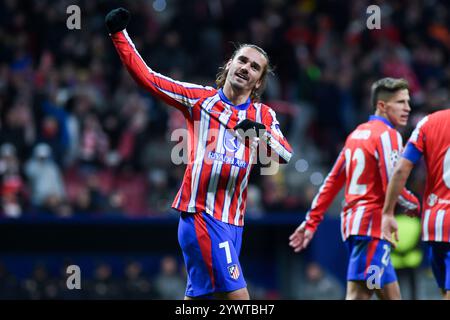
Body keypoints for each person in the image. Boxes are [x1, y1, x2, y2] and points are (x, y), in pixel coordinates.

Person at [105, 8, 292, 300]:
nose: (246, 68)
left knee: (199, 300)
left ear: (258, 81)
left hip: (234, 223)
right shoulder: (199, 100)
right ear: (229, 65)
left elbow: (284, 155)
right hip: (202, 216)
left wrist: (257, 136)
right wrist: (119, 35)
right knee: (239, 300)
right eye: (242, 60)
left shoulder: (263, 115)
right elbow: (150, 79)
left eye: (255, 67)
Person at [289, 77, 420, 300]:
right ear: (382, 105)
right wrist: (414, 203)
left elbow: (331, 182)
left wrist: (312, 222)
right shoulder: (389, 135)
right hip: (371, 230)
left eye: (407, 102)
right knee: (359, 295)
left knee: (389, 295)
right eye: (400, 102)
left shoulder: (356, 135)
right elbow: (393, 180)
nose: (407, 108)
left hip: (360, 229)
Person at [382, 109, 450, 300]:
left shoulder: (427, 122)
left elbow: (401, 170)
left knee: (445, 289)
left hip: (436, 221)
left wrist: (388, 212)